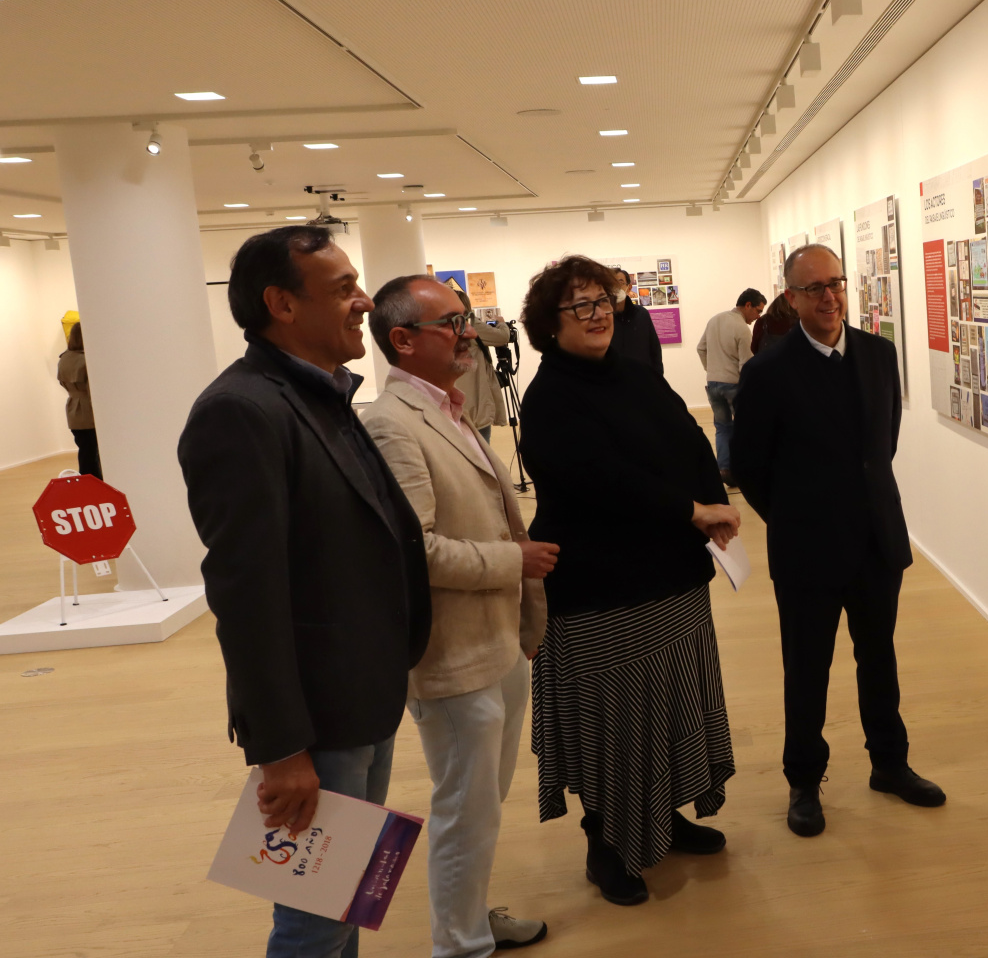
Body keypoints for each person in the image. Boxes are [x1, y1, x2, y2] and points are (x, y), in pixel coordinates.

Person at [177, 225, 431, 958]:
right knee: (314, 920)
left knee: (340, 900)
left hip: (361, 695)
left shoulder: (319, 396)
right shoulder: (242, 411)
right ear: (281, 305)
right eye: (344, 289)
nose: (363, 303)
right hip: (316, 720)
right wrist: (281, 747)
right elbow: (246, 594)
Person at [517, 255, 738, 906]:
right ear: (547, 326)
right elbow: (601, 481)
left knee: (667, 711)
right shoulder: (550, 396)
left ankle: (663, 818)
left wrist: (712, 503)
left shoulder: (636, 375)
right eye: (579, 306)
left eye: (603, 301)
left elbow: (690, 442)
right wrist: (690, 510)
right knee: (615, 723)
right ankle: (606, 843)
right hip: (600, 589)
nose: (596, 315)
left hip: (671, 579)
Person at [362, 276, 555, 956]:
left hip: (494, 643)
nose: (468, 331)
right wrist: (515, 562)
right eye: (451, 322)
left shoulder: (448, 409)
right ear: (403, 341)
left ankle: (469, 918)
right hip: (451, 657)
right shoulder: (389, 424)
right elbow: (415, 551)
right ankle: (461, 945)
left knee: (482, 808)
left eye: (465, 318)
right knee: (462, 810)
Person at [732, 243, 945, 839]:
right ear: (791, 298)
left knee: (879, 658)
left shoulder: (879, 354)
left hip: (877, 540)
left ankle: (890, 764)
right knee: (808, 668)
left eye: (836, 284)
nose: (829, 297)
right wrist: (798, 517)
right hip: (807, 548)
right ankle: (803, 779)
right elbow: (750, 468)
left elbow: (885, 443)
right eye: (814, 288)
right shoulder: (768, 371)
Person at [696, 288, 765, 485]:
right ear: (748, 305)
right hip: (734, 386)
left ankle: (725, 471)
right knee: (745, 427)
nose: (757, 317)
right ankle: (746, 470)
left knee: (722, 428)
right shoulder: (742, 328)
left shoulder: (715, 319)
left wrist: (712, 370)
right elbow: (746, 364)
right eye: (758, 311)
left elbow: (700, 348)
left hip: (713, 384)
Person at [448, 286, 511, 444]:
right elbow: (503, 337)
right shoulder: (472, 325)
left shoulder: (445, 328)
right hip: (475, 399)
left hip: (453, 398)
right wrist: (501, 323)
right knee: (482, 445)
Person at [57, 323, 100, 479]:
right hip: (89, 411)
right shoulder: (86, 360)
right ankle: (95, 487)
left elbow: (62, 383)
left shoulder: (64, 359)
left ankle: (87, 485)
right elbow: (94, 391)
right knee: (95, 455)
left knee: (85, 450)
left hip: (73, 410)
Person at [606, 267, 664, 376]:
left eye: (620, 282)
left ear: (629, 287)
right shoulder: (603, 317)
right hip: (613, 382)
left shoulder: (642, 314)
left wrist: (658, 380)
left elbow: (655, 350)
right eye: (612, 283)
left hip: (642, 381)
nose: (616, 287)